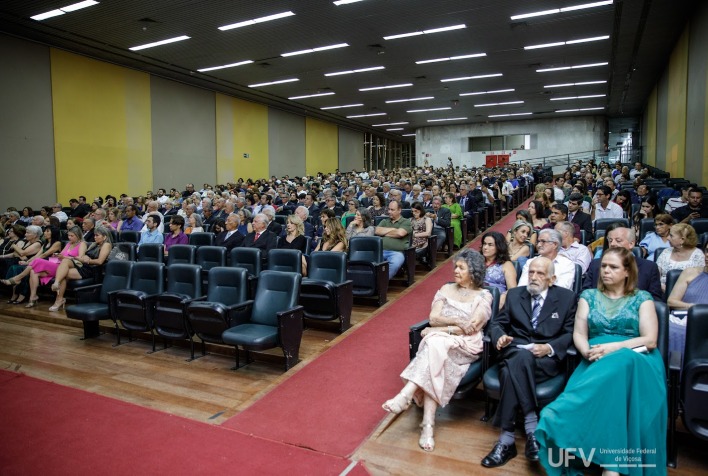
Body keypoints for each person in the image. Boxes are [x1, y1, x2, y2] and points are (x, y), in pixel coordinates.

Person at [536, 248, 667, 475]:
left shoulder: (642, 298)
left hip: (638, 358)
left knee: (624, 361)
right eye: (604, 266)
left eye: (613, 267)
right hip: (596, 358)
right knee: (613, 384)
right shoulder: (588, 296)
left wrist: (611, 348)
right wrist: (587, 352)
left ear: (627, 272)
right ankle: (611, 466)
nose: (606, 271)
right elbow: (579, 334)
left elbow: (650, 340)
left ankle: (611, 466)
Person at [382, 249, 492, 452]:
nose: (455, 271)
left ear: (474, 271)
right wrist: (456, 321)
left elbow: (472, 327)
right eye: (455, 267)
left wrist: (441, 329)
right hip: (443, 345)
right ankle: (427, 426)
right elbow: (433, 318)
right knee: (437, 357)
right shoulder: (445, 289)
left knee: (433, 343)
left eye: (461, 268)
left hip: (466, 345)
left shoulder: (484, 296)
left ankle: (405, 395)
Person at [482, 257, 577, 468]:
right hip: (515, 351)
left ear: (552, 279)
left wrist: (549, 348)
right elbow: (497, 323)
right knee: (521, 356)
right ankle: (531, 428)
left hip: (544, 361)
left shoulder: (567, 298)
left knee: (509, 373)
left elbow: (571, 333)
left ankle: (506, 441)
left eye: (540, 273)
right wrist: (499, 336)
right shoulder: (516, 295)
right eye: (531, 272)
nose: (533, 277)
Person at [51, 226, 113, 312]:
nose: (94, 237)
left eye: (97, 235)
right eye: (94, 235)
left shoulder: (106, 245)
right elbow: (84, 256)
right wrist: (84, 257)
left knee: (63, 273)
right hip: (83, 266)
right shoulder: (94, 244)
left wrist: (88, 260)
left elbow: (100, 261)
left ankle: (58, 298)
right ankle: (57, 287)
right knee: (64, 267)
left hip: (92, 270)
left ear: (105, 237)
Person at [25, 226, 85, 309]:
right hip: (59, 264)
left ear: (78, 235)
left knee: (38, 261)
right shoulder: (68, 243)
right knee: (33, 272)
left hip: (73, 265)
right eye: (68, 235)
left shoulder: (82, 244)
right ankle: (33, 296)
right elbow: (62, 254)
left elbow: (80, 258)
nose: (69, 238)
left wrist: (65, 258)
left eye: (72, 236)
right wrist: (57, 255)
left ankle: (58, 293)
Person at [656, 223, 704, 291]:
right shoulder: (666, 252)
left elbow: (699, 282)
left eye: (671, 235)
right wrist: (662, 287)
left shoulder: (698, 255)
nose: (667, 238)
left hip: (687, 293)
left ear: (682, 240)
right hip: (661, 291)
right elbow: (655, 276)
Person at [375, 200, 412, 280]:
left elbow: (400, 233)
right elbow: (377, 231)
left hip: (396, 252)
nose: (389, 212)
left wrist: (384, 232)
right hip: (380, 251)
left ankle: (381, 283)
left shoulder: (406, 222)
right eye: (389, 209)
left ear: (399, 210)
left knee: (395, 263)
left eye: (392, 210)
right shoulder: (384, 221)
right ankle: (371, 282)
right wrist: (394, 230)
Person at [480, 231, 517, 308]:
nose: (485, 247)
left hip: (496, 299)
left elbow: (513, 290)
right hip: (476, 295)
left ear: (499, 247)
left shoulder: (506, 265)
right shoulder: (477, 261)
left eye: (490, 245)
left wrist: (503, 297)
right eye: (484, 244)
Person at [410, 202, 433, 266]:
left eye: (416, 211)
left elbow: (428, 233)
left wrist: (415, 235)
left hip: (422, 240)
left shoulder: (427, 219)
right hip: (411, 239)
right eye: (412, 211)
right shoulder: (410, 220)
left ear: (421, 210)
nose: (414, 213)